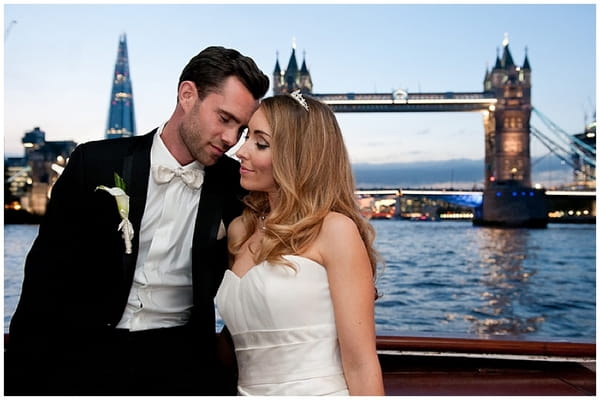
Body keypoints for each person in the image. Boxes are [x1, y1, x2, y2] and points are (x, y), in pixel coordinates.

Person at [5, 46, 269, 395]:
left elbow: (291, 219)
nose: (232, 140)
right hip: (84, 358)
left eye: (241, 128)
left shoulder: (237, 184)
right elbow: (43, 281)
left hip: (184, 364)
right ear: (187, 95)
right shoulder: (94, 163)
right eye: (224, 119)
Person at [215, 92, 385, 395]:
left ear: (299, 155)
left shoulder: (335, 231)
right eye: (246, 137)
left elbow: (361, 364)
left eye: (260, 143)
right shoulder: (240, 230)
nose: (240, 151)